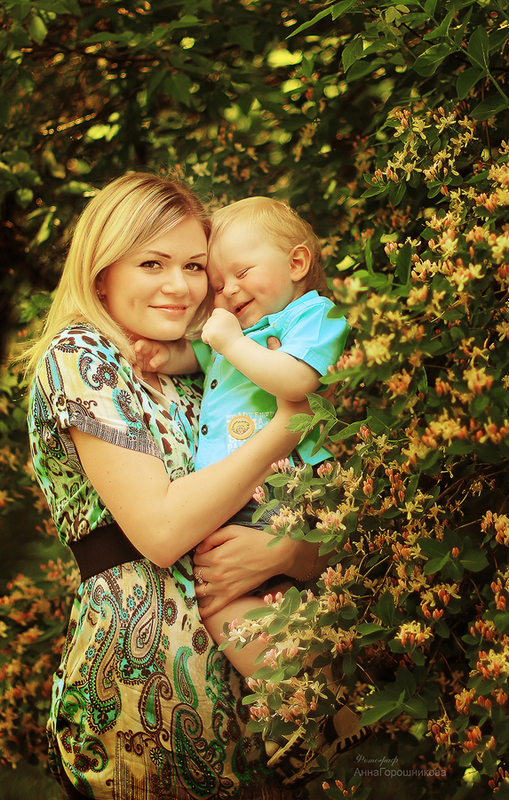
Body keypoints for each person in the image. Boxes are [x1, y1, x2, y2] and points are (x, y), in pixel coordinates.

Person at [24, 172, 322, 800]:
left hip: (246, 703)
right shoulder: (83, 357)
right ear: (102, 271)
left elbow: (292, 519)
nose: (181, 287)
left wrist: (288, 552)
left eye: (194, 267)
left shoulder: (205, 367)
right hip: (144, 699)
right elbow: (161, 532)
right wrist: (286, 427)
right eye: (152, 263)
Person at [134, 196, 349, 682]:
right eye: (218, 285)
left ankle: (298, 695)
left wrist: (231, 342)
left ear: (297, 263)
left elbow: (297, 384)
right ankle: (303, 688)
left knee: (222, 595)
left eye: (241, 272)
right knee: (245, 596)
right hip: (244, 489)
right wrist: (165, 359)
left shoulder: (312, 316)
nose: (228, 291)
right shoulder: (245, 331)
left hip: (284, 480)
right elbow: (201, 359)